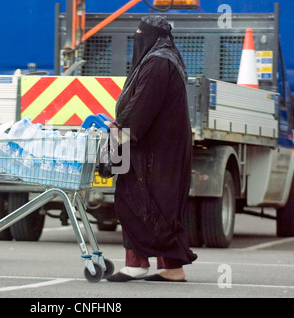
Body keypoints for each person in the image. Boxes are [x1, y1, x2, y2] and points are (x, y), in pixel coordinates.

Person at [105, 15, 197, 282]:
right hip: (164, 150)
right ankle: (171, 267)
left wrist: (120, 128)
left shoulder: (157, 62)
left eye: (140, 35)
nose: (137, 39)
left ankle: (137, 263)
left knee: (137, 202)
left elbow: (143, 104)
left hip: (152, 152)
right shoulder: (167, 58)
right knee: (163, 206)